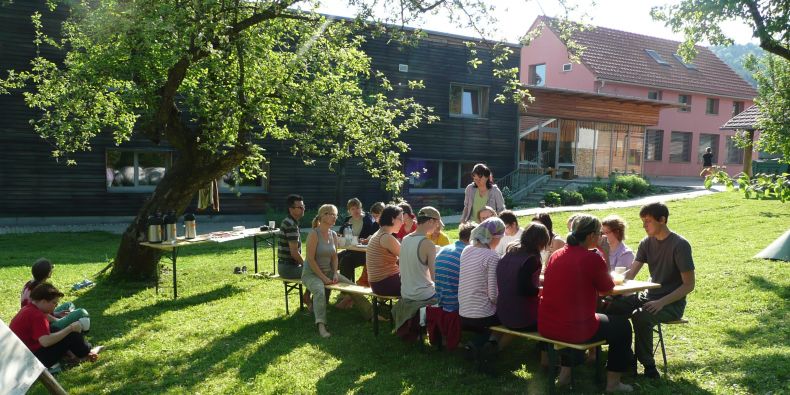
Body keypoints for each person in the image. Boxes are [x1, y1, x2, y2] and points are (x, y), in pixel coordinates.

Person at [539, 214, 634, 392]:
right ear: (591, 236)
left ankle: (565, 376)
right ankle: (613, 384)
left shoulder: (557, 254)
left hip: (547, 324)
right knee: (622, 327)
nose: (601, 237)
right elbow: (606, 288)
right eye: (599, 233)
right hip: (572, 328)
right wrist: (604, 253)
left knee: (576, 319)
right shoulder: (591, 258)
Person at [606, 203, 695, 379]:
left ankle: (648, 366)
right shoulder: (646, 242)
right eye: (643, 221)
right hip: (649, 296)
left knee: (641, 316)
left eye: (648, 221)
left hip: (671, 303)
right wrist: (611, 282)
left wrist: (661, 302)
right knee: (613, 307)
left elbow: (688, 285)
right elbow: (631, 273)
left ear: (662, 220)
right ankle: (625, 359)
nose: (644, 225)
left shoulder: (680, 245)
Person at [301, 204, 372, 338]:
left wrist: (334, 273)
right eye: (332, 214)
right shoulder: (314, 234)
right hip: (311, 274)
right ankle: (321, 325)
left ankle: (371, 314)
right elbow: (310, 259)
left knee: (353, 287)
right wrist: (323, 278)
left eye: (336, 214)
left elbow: (334, 257)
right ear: (323, 216)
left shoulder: (333, 234)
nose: (335, 217)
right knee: (319, 290)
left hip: (328, 273)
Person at [10, 283, 100, 368]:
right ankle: (87, 353)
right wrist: (70, 328)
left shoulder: (28, 308)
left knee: (55, 329)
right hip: (32, 360)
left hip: (21, 356)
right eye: (54, 303)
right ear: (44, 301)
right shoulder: (37, 315)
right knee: (71, 335)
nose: (55, 306)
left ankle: (73, 355)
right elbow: (45, 342)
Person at [458, 217, 506, 363]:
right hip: (482, 316)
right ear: (494, 237)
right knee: (507, 318)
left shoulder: (466, 250)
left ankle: (478, 344)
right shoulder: (492, 256)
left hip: (463, 313)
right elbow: (493, 295)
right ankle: (487, 345)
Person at [392, 207, 443, 338]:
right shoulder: (428, 244)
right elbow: (435, 277)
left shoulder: (406, 239)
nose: (437, 227)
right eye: (437, 223)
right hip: (421, 294)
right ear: (431, 221)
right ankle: (439, 334)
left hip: (406, 291)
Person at [496, 222, 549, 332]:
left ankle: (494, 343)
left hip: (503, 314)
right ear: (541, 241)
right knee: (553, 316)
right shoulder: (531, 259)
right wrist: (541, 291)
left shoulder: (509, 252)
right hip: (522, 319)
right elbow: (525, 289)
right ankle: (544, 348)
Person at [20, 258, 89, 331]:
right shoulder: (41, 289)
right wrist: (58, 320)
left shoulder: (29, 283)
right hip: (39, 324)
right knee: (81, 312)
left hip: (39, 316)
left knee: (69, 305)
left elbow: (42, 309)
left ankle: (70, 320)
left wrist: (57, 313)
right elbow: (40, 315)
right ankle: (76, 327)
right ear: (49, 273)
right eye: (51, 268)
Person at [435, 222, 476, 313]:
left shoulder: (445, 249)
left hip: (440, 301)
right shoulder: (467, 253)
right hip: (456, 306)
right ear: (473, 239)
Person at [338, 198, 379, 282]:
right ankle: (328, 285)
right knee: (332, 259)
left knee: (345, 261)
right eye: (353, 209)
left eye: (358, 208)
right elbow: (341, 234)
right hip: (350, 250)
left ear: (361, 208)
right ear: (349, 210)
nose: (356, 211)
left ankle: (346, 291)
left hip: (364, 252)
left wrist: (364, 240)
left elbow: (372, 235)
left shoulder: (368, 219)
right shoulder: (348, 220)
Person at [366, 205, 404, 297]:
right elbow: (406, 257)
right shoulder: (386, 237)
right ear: (392, 219)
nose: (402, 223)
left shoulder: (378, 234)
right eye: (400, 219)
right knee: (420, 284)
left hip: (378, 283)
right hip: (385, 284)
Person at [278, 194, 306, 279]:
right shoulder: (291, 225)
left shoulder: (288, 221)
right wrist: (306, 265)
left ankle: (307, 293)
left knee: (317, 271)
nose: (303, 209)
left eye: (303, 206)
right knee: (318, 273)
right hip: (289, 269)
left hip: (286, 266)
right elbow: (294, 253)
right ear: (291, 209)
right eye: (300, 207)